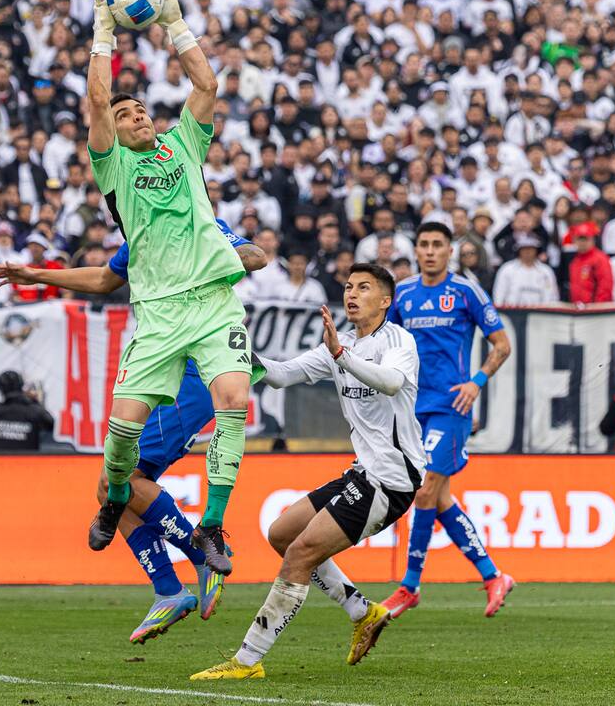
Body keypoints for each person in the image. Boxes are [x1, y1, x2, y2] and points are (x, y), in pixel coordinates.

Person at [0, 216, 266, 642]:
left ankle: (197, 557)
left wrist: (201, 256)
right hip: (161, 369)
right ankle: (171, 587)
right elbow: (102, 279)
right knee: (111, 487)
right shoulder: (141, 232)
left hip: (193, 373)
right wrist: (34, 274)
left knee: (122, 482)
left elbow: (255, 256)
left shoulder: (198, 221)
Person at [84, 0, 251, 573]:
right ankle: (118, 497)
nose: (138, 118)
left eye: (141, 112)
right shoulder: (116, 171)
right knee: (122, 435)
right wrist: (104, 30)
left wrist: (176, 24)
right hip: (157, 311)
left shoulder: (183, 145)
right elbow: (98, 99)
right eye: (128, 116)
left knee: (234, 400)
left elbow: (206, 84)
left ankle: (210, 528)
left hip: (212, 301)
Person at [191, 265, 423, 680]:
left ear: (385, 300)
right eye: (349, 287)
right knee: (281, 534)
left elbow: (390, 383)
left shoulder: (398, 341)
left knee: (300, 554)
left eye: (364, 288)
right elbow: (281, 375)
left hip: (392, 480)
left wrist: (340, 356)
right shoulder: (341, 343)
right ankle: (362, 611)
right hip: (362, 473)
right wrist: (236, 355)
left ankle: (247, 661)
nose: (352, 294)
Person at [383, 222, 514, 618]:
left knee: (422, 491)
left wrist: (475, 383)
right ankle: (493, 576)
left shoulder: (465, 291)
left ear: (449, 251)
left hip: (452, 406)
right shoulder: (403, 293)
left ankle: (409, 586)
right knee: (439, 499)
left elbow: (502, 344)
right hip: (411, 408)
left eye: (437, 245)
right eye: (423, 245)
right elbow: (388, 345)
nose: (430, 251)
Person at [0, 371, 55, 452]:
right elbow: (50, 424)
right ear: (21, 385)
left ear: (0, 389)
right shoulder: (34, 410)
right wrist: (33, 401)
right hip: (28, 464)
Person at [492, 235, 559, 306]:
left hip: (541, 314)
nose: (527, 251)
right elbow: (498, 295)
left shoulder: (546, 271)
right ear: (519, 250)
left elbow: (553, 297)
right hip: (512, 314)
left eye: (531, 248)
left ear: (536, 250)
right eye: (524, 248)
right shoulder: (507, 269)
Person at [568, 221, 613, 304]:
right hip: (578, 311)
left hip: (594, 311)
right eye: (580, 239)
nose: (582, 243)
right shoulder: (574, 262)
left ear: (592, 240)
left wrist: (597, 308)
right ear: (574, 240)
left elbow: (605, 287)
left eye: (586, 239)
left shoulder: (600, 259)